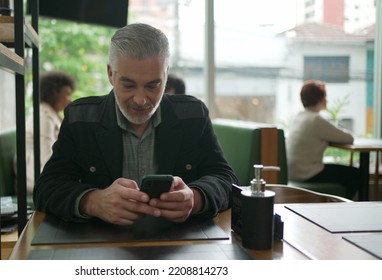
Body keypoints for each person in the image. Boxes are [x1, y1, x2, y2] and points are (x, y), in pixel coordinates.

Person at [33, 23, 239, 225]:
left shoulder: (193, 115)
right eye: (128, 84)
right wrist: (94, 201)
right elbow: (46, 189)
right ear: (110, 74)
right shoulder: (80, 119)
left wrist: (195, 198)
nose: (141, 99)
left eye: (153, 85)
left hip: (182, 243)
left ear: (166, 75)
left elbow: (226, 180)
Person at [286, 80, 360, 199]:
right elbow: (348, 138)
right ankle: (347, 206)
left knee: (346, 172)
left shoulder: (300, 116)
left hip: (293, 173)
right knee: (356, 174)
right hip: (308, 173)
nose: (327, 100)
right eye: (325, 97)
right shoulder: (316, 120)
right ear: (320, 99)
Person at [25, 70, 76, 194]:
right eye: (67, 94)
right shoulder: (44, 119)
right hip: (36, 179)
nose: (70, 99)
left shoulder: (51, 116)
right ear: (54, 93)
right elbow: (46, 159)